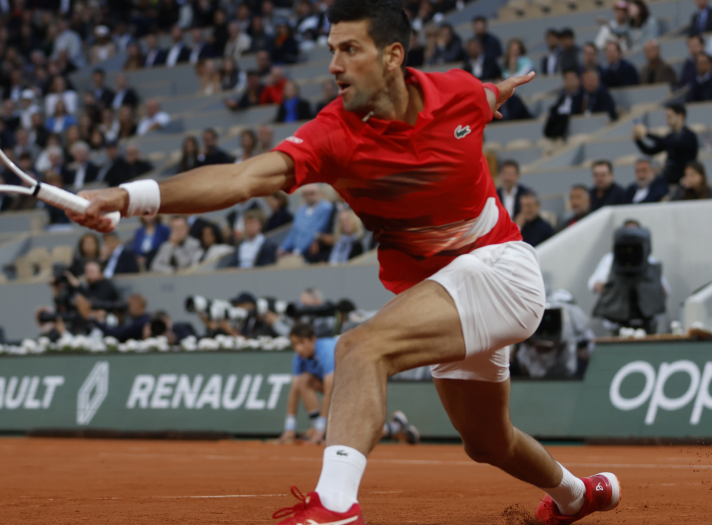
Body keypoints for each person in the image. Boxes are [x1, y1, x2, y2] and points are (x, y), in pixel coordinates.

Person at [66, 4, 620, 524]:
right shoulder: (334, 134)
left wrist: (497, 91)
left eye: (350, 49)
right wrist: (127, 197)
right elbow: (241, 178)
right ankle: (578, 495)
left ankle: (334, 507)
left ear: (393, 56)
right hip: (446, 291)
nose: (334, 65)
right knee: (487, 442)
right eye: (332, 50)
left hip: (502, 270)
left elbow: (481, 96)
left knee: (360, 348)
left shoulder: (456, 91)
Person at [277, 323, 420, 446]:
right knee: (303, 381)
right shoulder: (299, 358)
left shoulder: (327, 351)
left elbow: (330, 391)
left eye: (302, 343)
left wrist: (321, 428)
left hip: (361, 383)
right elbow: (294, 390)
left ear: (313, 339)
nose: (298, 348)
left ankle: (395, 427)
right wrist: (290, 427)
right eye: (294, 344)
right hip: (343, 387)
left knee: (356, 432)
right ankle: (319, 427)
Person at [633, 103, 698, 185]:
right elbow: (650, 151)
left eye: (670, 116)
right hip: (669, 177)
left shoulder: (689, 136)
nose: (667, 120)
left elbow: (673, 144)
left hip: (685, 178)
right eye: (666, 117)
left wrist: (646, 134)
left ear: (680, 116)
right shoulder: (670, 136)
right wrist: (637, 140)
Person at [278, 184, 334, 259]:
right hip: (296, 251)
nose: (309, 196)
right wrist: (282, 248)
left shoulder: (326, 208)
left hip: (311, 252)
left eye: (312, 193)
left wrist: (298, 251)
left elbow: (315, 231)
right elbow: (294, 231)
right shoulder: (301, 210)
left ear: (320, 193)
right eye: (306, 194)